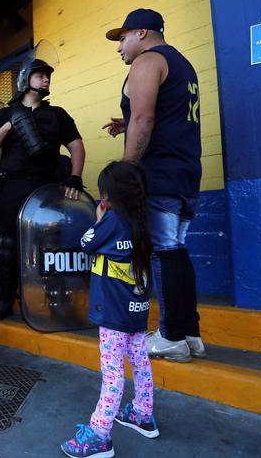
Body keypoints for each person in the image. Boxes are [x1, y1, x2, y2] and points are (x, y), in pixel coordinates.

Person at [103, 9, 204, 362]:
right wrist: (125, 122)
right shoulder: (182, 64)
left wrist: (127, 172)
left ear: (142, 33)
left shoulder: (148, 61)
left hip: (159, 173)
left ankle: (172, 335)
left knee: (163, 250)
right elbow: (154, 115)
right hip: (185, 171)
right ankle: (189, 332)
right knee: (175, 248)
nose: (119, 48)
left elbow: (145, 117)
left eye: (123, 38)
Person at [0, 42, 86, 319]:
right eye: (40, 75)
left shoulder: (57, 114)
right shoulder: (5, 113)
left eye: (48, 75)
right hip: (13, 184)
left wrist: (75, 177)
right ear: (25, 80)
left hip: (45, 187)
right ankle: (4, 299)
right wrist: (9, 123)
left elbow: (76, 146)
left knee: (51, 244)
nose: (46, 79)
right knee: (7, 243)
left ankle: (56, 299)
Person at [61, 161, 157, 458]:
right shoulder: (143, 220)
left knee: (113, 373)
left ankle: (100, 434)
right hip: (136, 309)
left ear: (109, 197)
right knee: (140, 362)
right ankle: (142, 414)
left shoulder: (113, 220)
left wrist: (99, 218)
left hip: (113, 314)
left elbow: (86, 243)